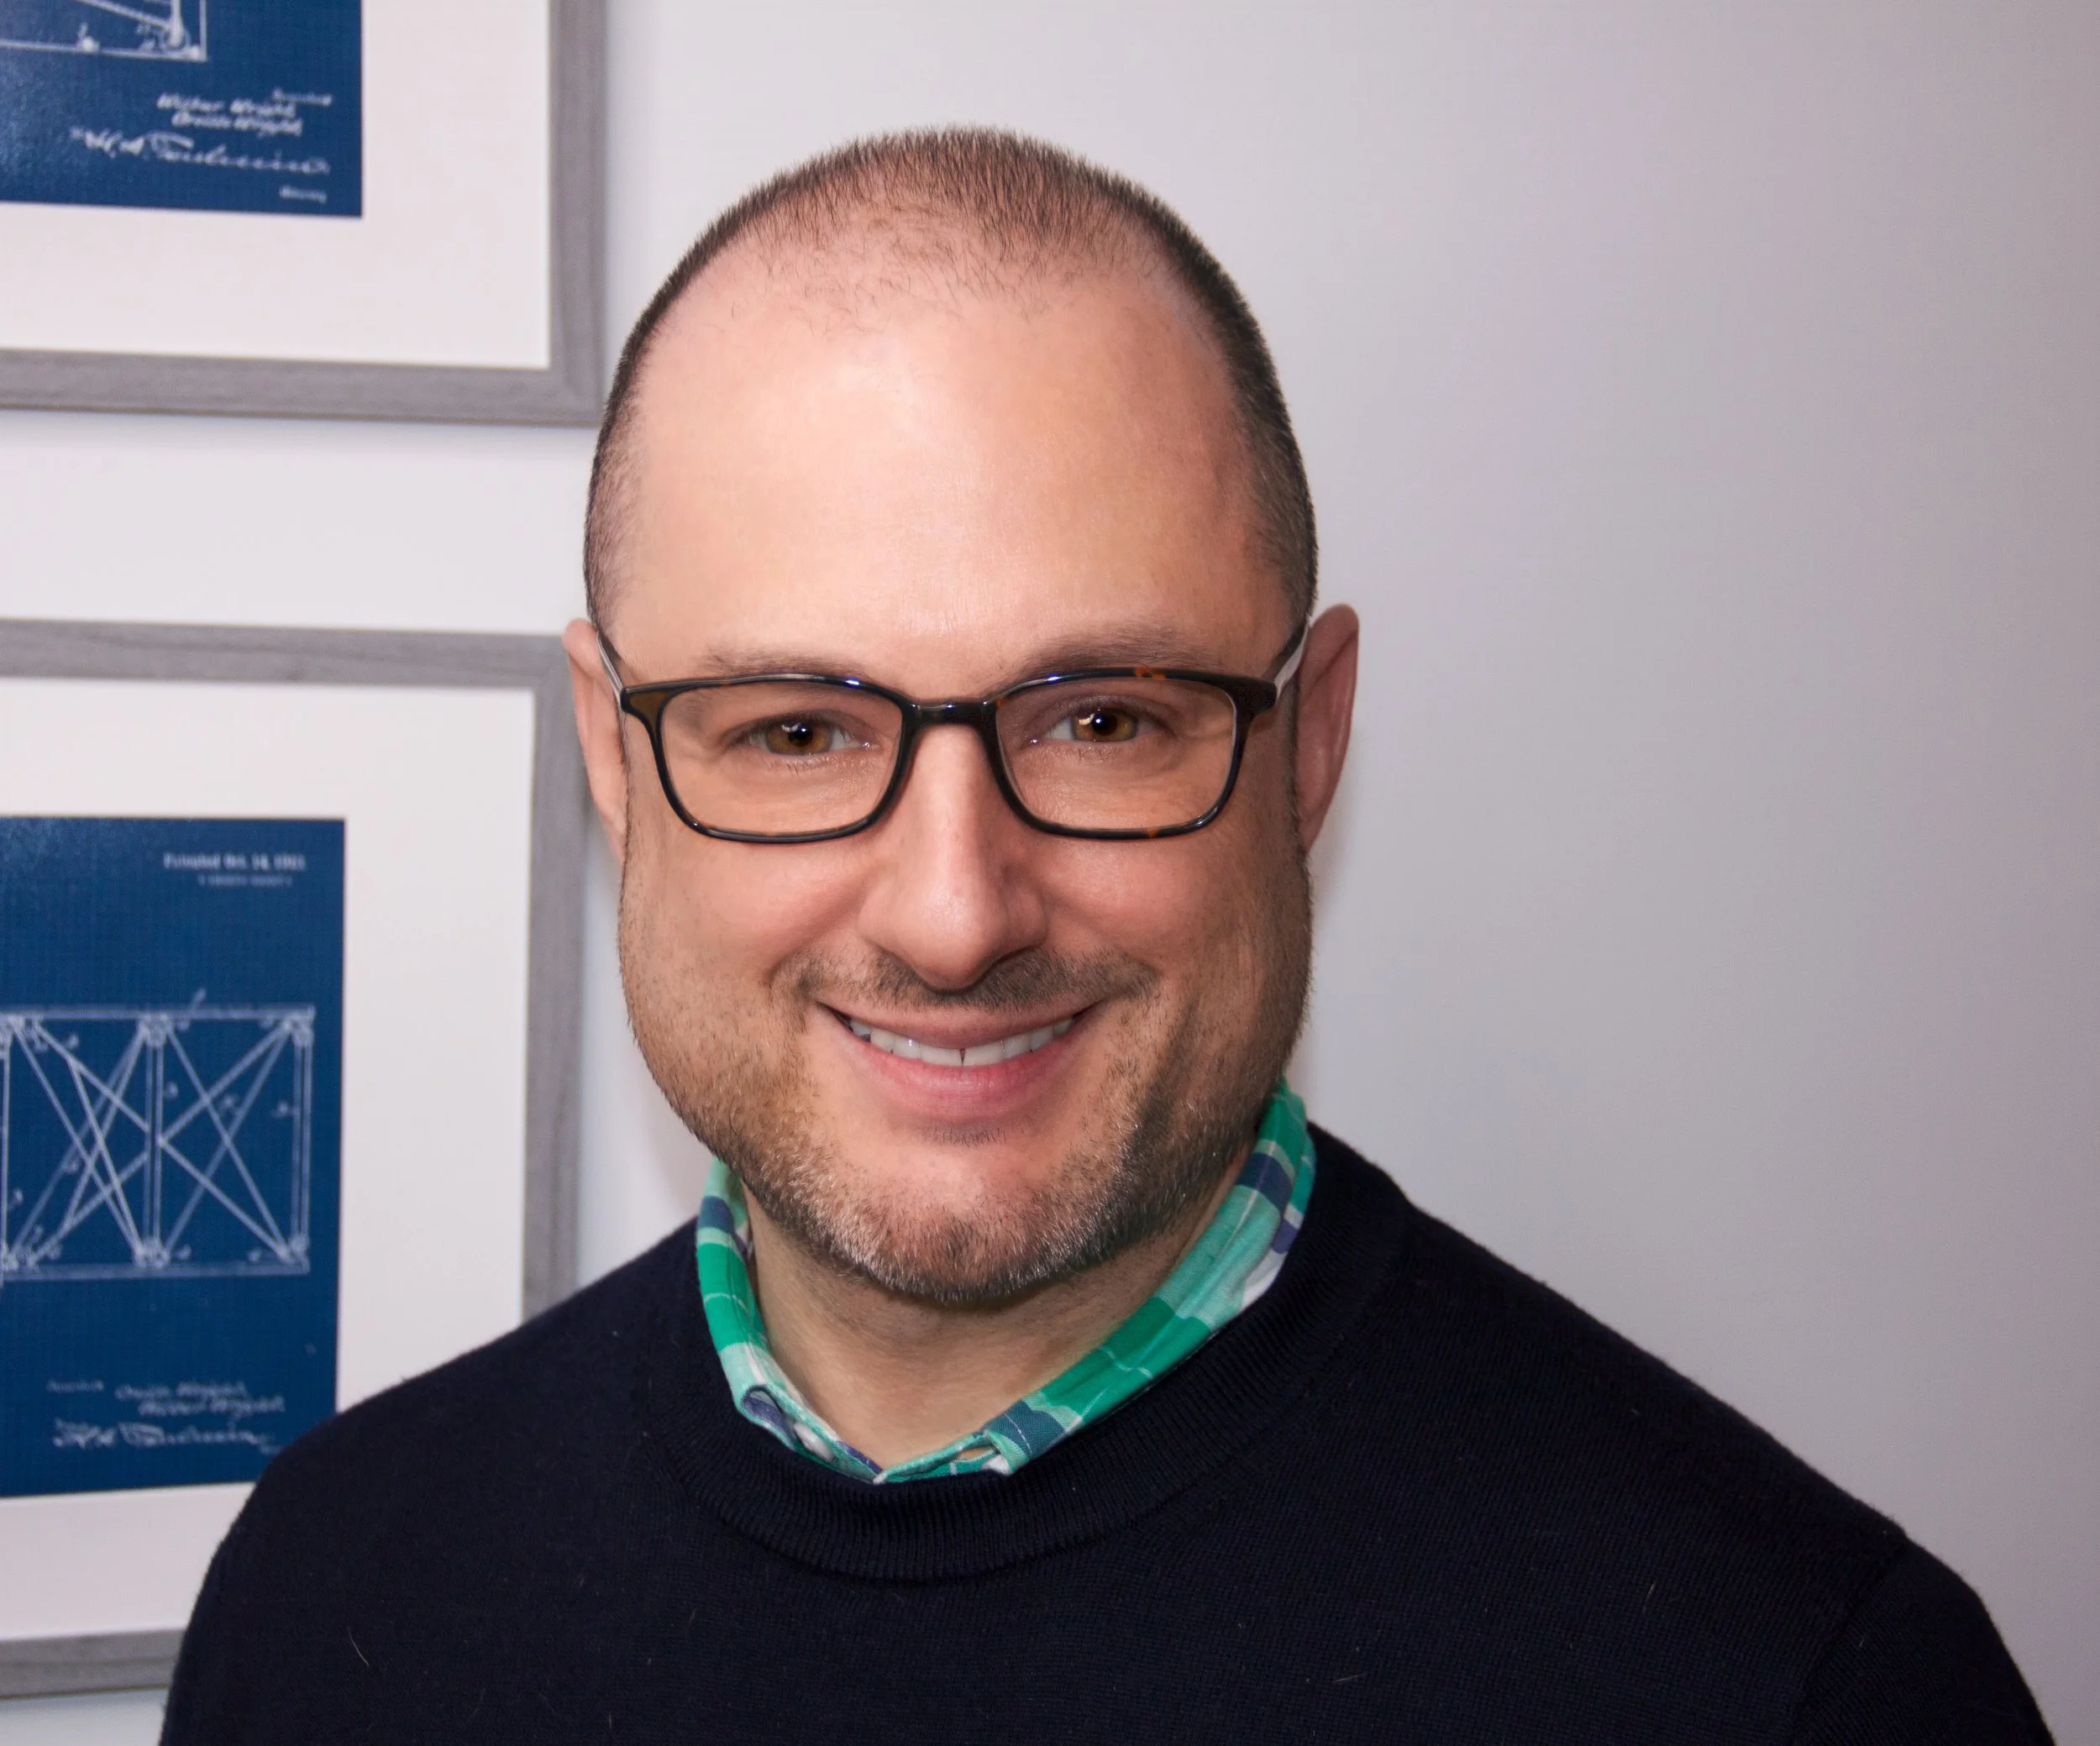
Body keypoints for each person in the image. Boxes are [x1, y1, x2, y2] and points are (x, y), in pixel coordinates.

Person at [161, 128, 2050, 1743]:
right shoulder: (332, 1597)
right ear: (615, 760)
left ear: (1306, 745)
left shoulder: (1798, 1684)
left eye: (1103, 720)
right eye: (799, 733)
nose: (954, 911)